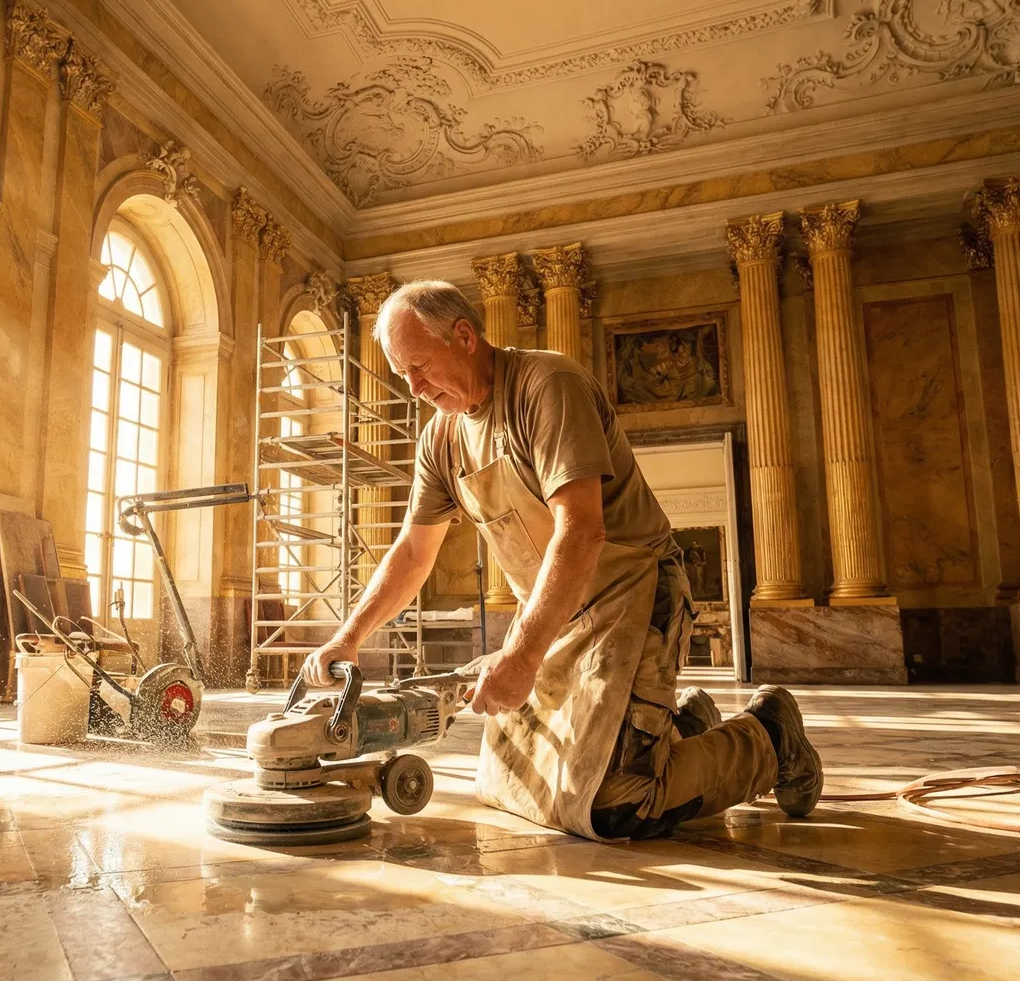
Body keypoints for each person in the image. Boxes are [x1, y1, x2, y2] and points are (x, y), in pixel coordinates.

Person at [301, 281, 821, 841]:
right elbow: (411, 550)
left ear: (464, 336)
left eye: (420, 366)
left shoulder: (547, 386)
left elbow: (581, 530)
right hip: (556, 609)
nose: (414, 387)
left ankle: (771, 735)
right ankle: (683, 726)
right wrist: (348, 637)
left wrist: (522, 656)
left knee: (611, 805)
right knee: (510, 783)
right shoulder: (442, 438)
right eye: (403, 373)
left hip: (636, 594)